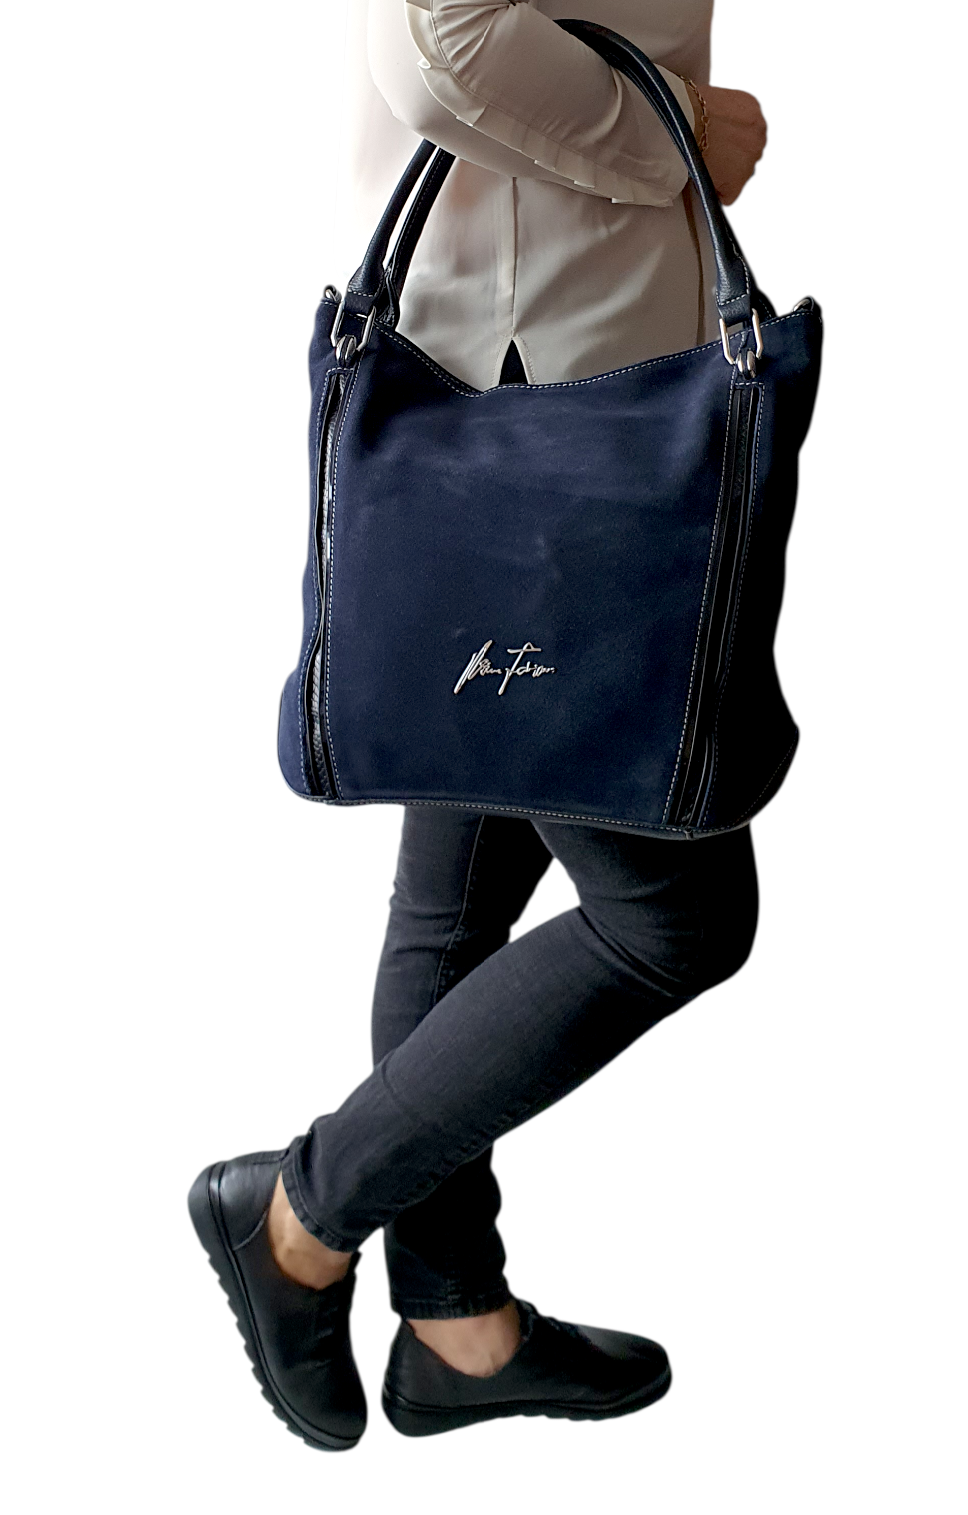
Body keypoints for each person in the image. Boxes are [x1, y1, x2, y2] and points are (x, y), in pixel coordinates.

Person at [189, 0, 768, 1450]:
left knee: (453, 915)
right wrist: (685, 136)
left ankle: (457, 1326)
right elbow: (439, 40)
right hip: (551, 368)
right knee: (680, 916)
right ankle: (300, 1213)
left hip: (526, 355)